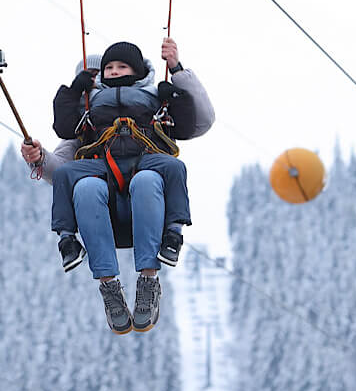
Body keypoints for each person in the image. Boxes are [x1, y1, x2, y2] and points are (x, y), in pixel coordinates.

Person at [20, 38, 215, 334]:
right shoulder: (87, 125)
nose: (110, 76)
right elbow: (61, 169)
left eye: (117, 69)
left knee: (149, 179)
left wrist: (176, 74)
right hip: (104, 207)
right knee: (84, 187)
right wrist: (39, 158)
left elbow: (198, 122)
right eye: (104, 72)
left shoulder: (149, 104)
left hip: (144, 198)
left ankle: (150, 279)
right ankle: (106, 283)